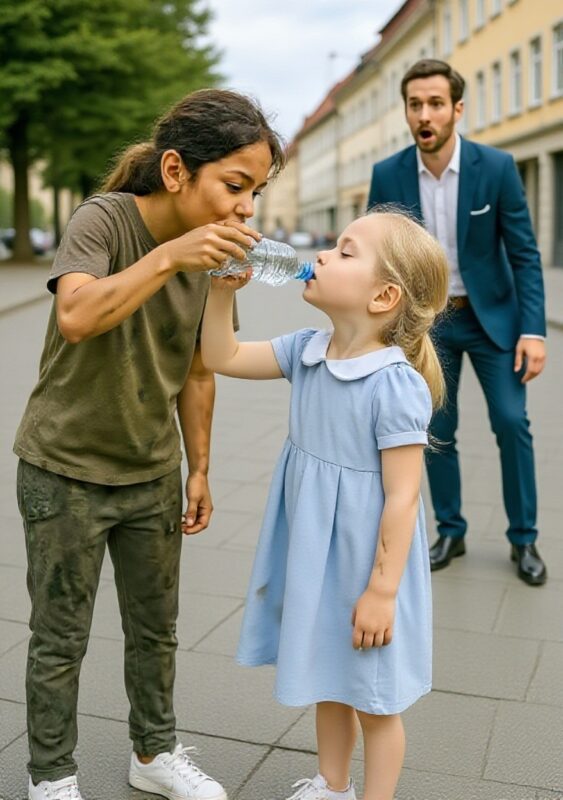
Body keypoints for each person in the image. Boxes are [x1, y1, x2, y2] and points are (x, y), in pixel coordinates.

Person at [13, 88, 284, 800]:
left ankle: (154, 754)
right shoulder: (102, 219)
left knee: (156, 630)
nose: (246, 208)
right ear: (174, 171)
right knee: (59, 637)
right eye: (234, 186)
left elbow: (198, 368)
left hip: (151, 472)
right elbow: (76, 314)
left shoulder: (210, 256)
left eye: (254, 191)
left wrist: (199, 468)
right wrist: (170, 259)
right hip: (64, 467)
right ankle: (50, 775)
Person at [201, 209, 449, 800]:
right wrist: (218, 293)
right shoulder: (307, 350)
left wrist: (382, 591)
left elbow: (403, 494)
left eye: (344, 251)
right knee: (328, 680)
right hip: (319, 554)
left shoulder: (393, 383)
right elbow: (222, 357)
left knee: (375, 699)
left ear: (384, 296)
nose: (324, 257)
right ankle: (331, 784)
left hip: (368, 563)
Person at [368, 59, 547, 586]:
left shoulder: (497, 168)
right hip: (429, 324)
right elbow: (380, 258)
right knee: (434, 430)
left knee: (512, 423)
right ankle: (451, 529)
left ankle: (524, 539)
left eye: (436, 104)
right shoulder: (388, 173)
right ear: (406, 110)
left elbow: (525, 255)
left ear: (457, 109)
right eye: (415, 104)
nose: (425, 114)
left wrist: (533, 331)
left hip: (493, 322)